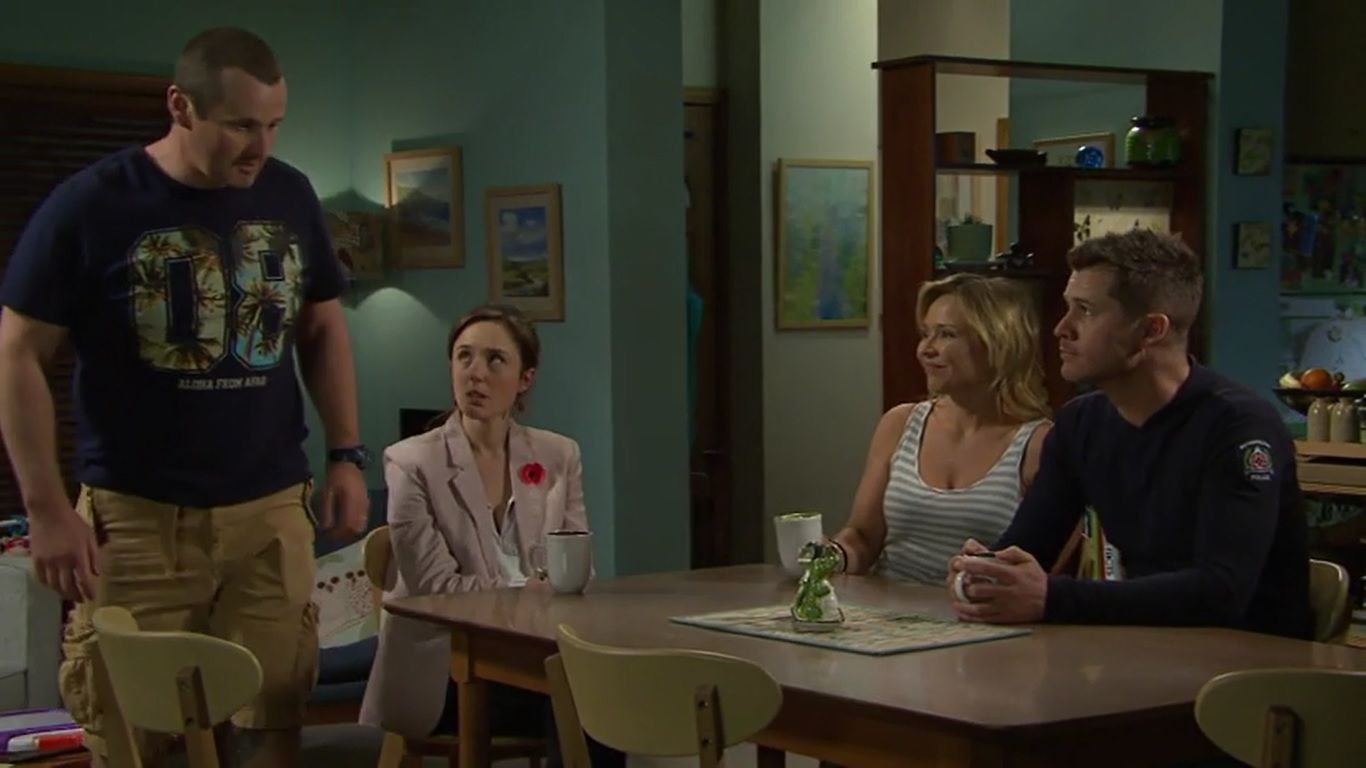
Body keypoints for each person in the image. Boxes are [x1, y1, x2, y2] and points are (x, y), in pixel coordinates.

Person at [0, 27, 368, 766]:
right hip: (138, 519)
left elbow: (322, 324)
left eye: (273, 125)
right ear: (180, 106)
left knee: (274, 717)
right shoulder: (93, 204)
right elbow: (18, 353)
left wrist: (346, 455)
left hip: (268, 511)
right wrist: (45, 507)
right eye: (240, 125)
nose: (259, 147)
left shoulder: (289, 193)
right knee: (133, 731)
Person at [948, 230, 1313, 639]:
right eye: (1068, 308)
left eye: (1085, 311)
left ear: (1151, 330)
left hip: (1252, 659)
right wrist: (987, 570)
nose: (1062, 329)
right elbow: (1031, 544)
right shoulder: (1080, 423)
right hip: (1144, 645)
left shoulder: (1238, 425)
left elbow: (1221, 591)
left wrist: (1051, 597)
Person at [360, 304, 621, 767]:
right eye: (464, 357)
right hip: (445, 668)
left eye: (495, 359)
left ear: (525, 379)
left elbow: (576, 571)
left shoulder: (558, 455)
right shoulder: (411, 462)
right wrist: (528, 589)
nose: (475, 373)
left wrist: (548, 591)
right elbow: (436, 591)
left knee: (600, 687)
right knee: (579, 695)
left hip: (536, 656)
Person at [828, 273, 1051, 583]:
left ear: (997, 342)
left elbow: (1039, 566)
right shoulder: (900, 424)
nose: (925, 349)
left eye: (946, 334)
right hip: (886, 607)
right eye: (925, 333)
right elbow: (862, 538)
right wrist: (829, 556)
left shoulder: (1038, 444)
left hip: (976, 608)